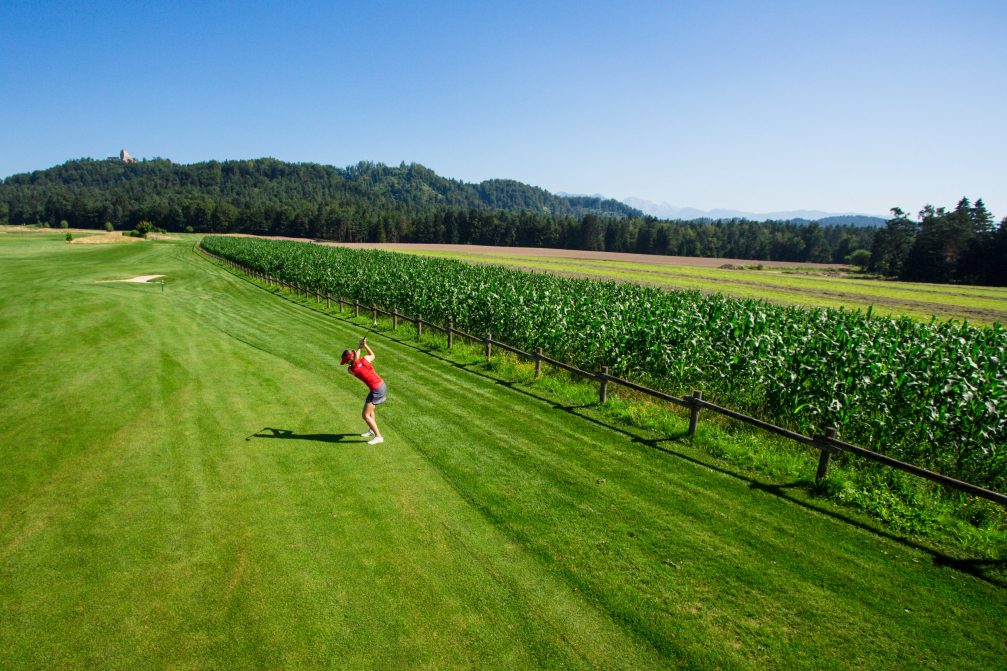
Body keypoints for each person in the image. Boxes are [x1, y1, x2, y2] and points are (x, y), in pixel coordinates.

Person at [341, 337, 386, 445]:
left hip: (377, 390)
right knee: (370, 410)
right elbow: (372, 355)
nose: (346, 364)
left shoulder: (352, 370)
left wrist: (359, 347)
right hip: (381, 385)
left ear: (349, 361)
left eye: (346, 361)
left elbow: (355, 361)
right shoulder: (365, 359)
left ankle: (378, 436)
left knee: (365, 415)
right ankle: (371, 430)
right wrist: (364, 346)